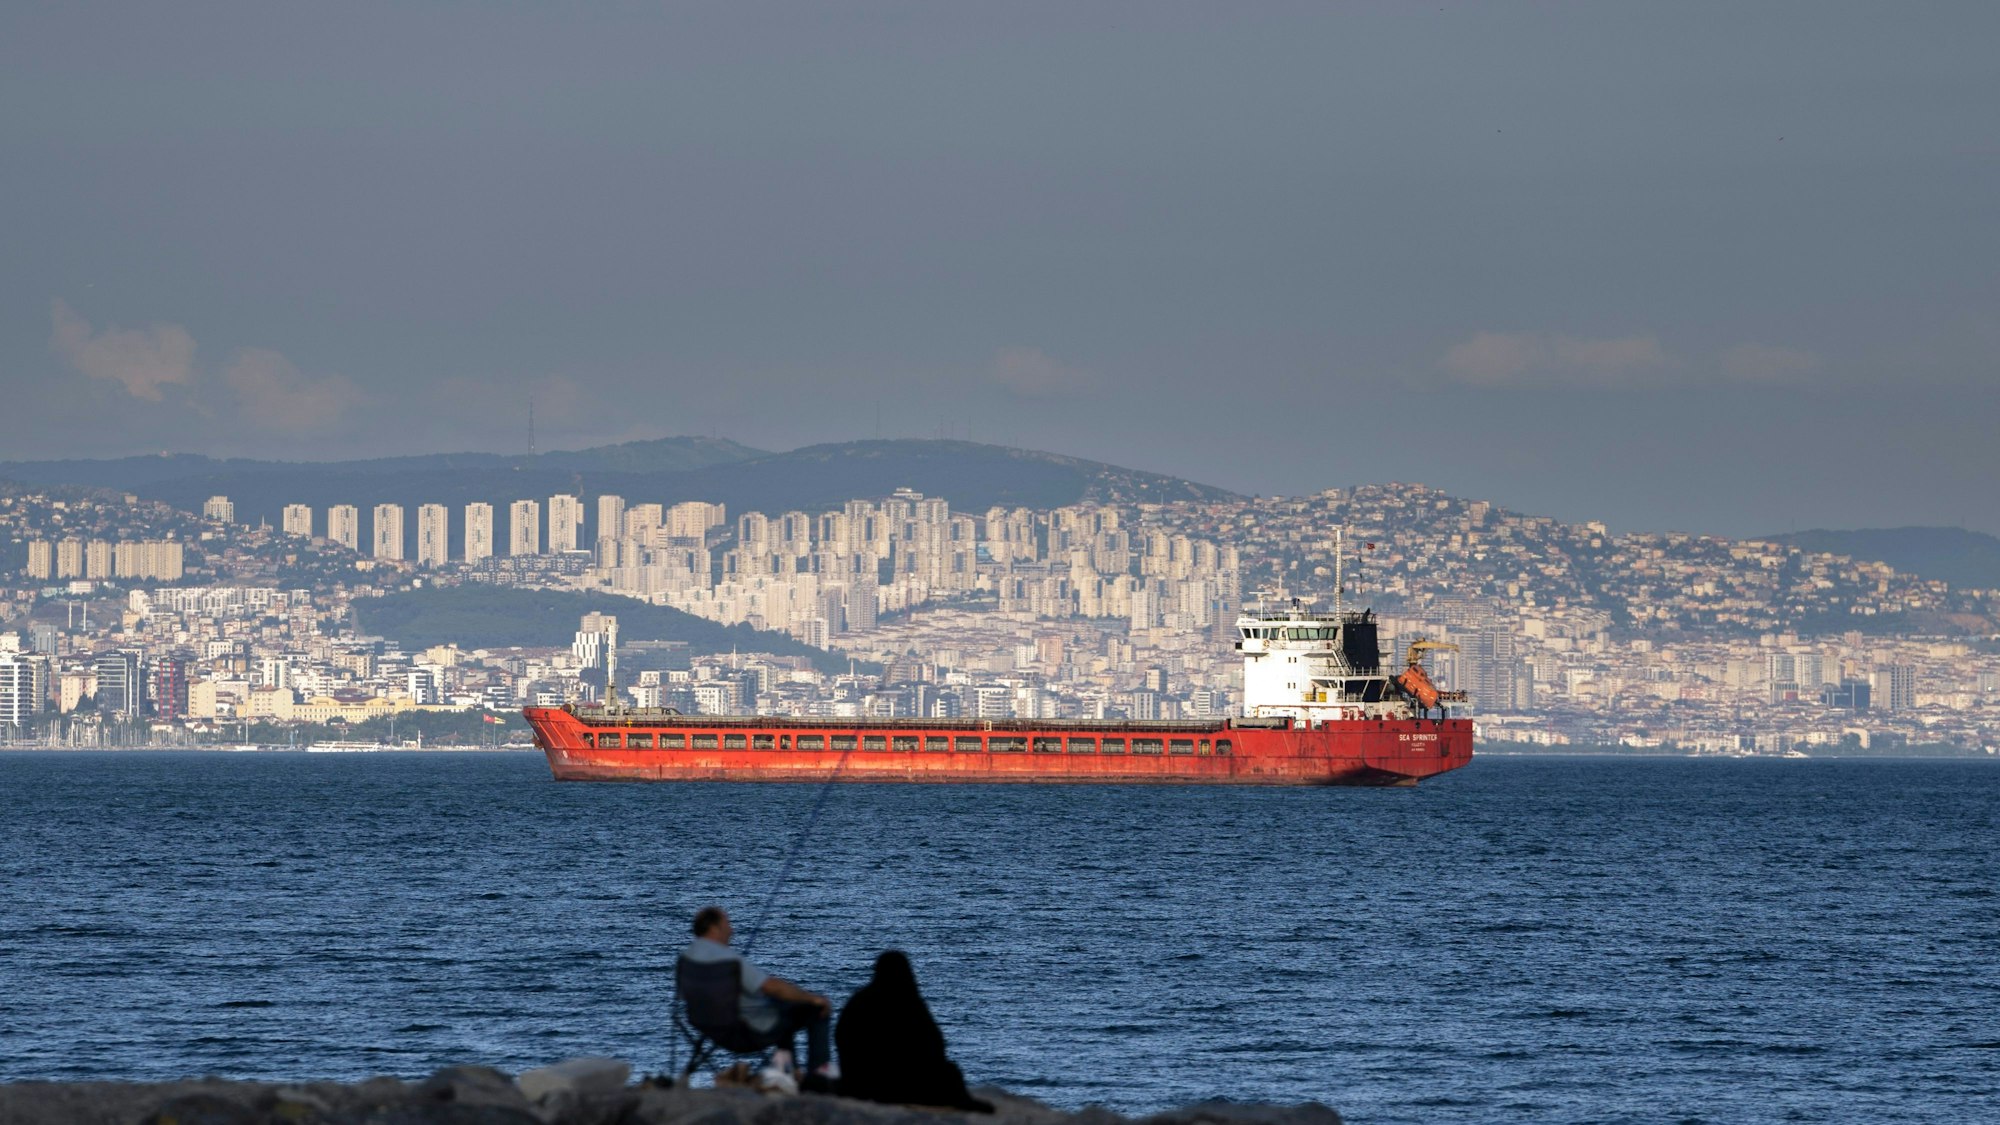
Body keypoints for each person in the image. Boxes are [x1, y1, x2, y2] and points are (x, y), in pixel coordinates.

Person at [681, 906, 836, 1091]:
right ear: (714, 928)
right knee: (816, 1010)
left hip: (708, 1026)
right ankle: (818, 1078)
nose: (732, 930)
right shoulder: (728, 960)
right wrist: (812, 998)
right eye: (727, 925)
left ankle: (787, 1073)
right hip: (747, 1030)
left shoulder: (686, 959)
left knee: (784, 1008)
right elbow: (771, 987)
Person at [835, 950, 993, 1113]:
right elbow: (934, 1043)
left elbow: (843, 1039)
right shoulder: (910, 1002)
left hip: (862, 1083)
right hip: (903, 1082)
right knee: (949, 1073)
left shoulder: (858, 1002)